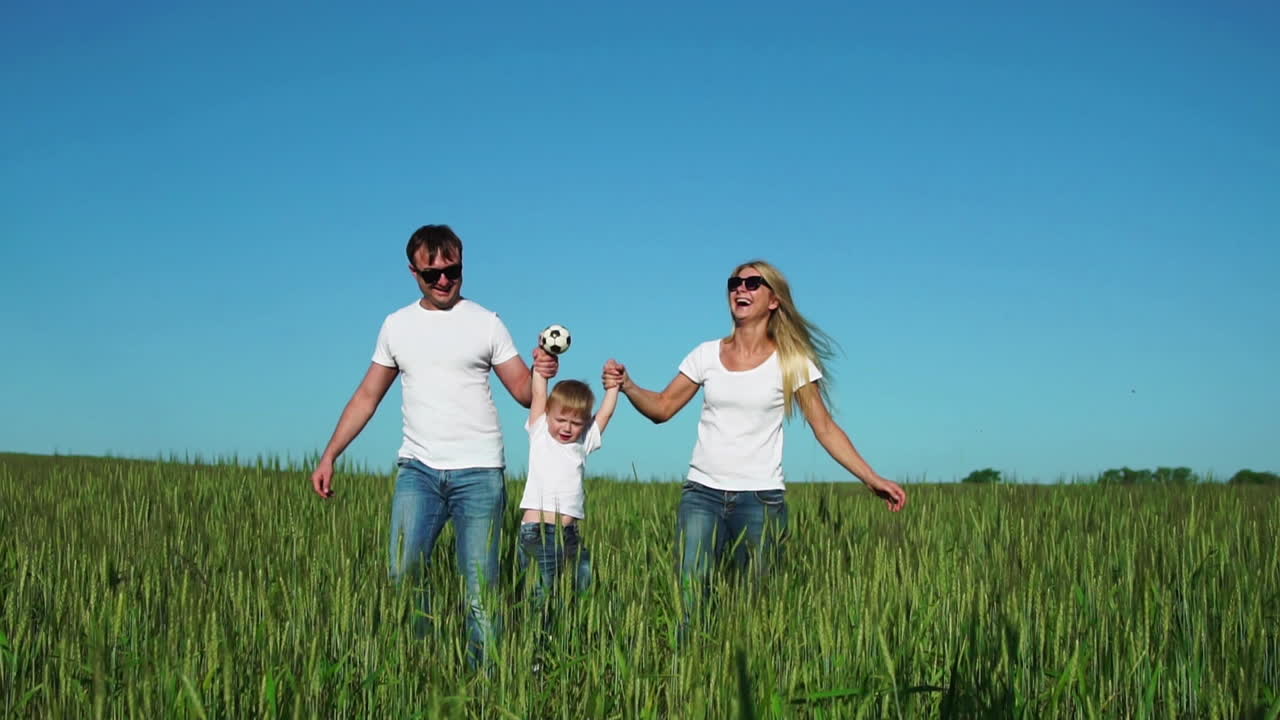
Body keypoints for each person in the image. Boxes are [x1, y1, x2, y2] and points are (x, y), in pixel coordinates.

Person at [309, 224, 558, 668]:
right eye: (432, 274)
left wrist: (542, 369)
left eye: (453, 271)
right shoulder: (396, 325)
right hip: (417, 472)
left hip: (480, 474)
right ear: (413, 273)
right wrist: (330, 454)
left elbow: (522, 390)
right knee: (403, 575)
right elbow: (367, 396)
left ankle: (484, 687)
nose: (444, 281)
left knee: (480, 590)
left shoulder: (487, 322)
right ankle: (420, 671)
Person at [603, 260, 907, 621]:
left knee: (755, 612)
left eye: (752, 283)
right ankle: (693, 669)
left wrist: (871, 478)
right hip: (702, 496)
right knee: (691, 606)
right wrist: (629, 386)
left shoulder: (792, 361)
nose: (740, 289)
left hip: (760, 502)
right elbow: (663, 408)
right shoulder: (706, 354)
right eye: (734, 283)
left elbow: (824, 427)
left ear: (774, 300)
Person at [515, 370, 618, 638]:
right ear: (548, 414)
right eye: (560, 419)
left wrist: (613, 388)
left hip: (569, 535)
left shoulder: (583, 442)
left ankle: (559, 638)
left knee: (580, 584)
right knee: (541, 594)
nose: (567, 428)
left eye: (576, 422)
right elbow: (539, 393)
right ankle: (535, 647)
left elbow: (604, 415)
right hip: (537, 532)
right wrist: (540, 368)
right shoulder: (539, 433)